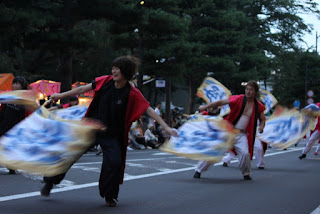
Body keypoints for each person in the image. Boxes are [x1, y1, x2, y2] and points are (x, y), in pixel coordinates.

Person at [40, 55, 177, 207]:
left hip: (111, 134)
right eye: (113, 67)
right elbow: (81, 89)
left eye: (117, 68)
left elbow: (149, 110)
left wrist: (166, 127)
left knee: (114, 162)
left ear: (125, 71)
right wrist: (60, 95)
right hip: (90, 128)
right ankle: (50, 182)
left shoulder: (132, 92)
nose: (113, 70)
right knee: (69, 154)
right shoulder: (105, 81)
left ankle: (109, 195)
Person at [194, 80, 266, 180]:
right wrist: (205, 107)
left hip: (241, 134)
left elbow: (262, 119)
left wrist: (261, 127)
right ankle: (198, 170)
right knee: (216, 150)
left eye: (251, 90)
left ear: (255, 92)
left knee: (245, 153)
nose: (248, 92)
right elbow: (221, 102)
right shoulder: (238, 99)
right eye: (247, 89)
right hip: (228, 130)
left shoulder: (258, 105)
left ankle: (246, 173)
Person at [0, 76, 29, 174]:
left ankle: (11, 165)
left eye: (18, 83)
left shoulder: (25, 99)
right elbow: (2, 111)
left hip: (15, 126)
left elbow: (25, 115)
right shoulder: (8, 96)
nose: (15, 85)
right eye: (14, 83)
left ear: (22, 85)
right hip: (3, 124)